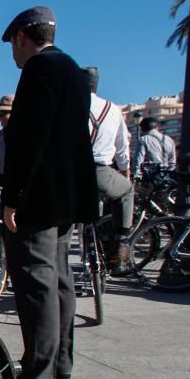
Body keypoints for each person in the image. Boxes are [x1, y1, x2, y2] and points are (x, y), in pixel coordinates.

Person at [0, 6, 97, 379]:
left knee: (36, 282)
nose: (13, 55)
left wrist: (13, 198)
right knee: (59, 279)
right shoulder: (73, 69)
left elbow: (29, 141)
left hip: (39, 198)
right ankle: (61, 363)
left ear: (24, 36)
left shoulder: (38, 70)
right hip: (68, 197)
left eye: (12, 46)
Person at [82, 66, 134, 270]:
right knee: (127, 191)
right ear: (96, 85)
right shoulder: (112, 109)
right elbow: (123, 147)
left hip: (71, 173)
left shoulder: (68, 104)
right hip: (100, 172)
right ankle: (122, 242)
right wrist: (124, 171)